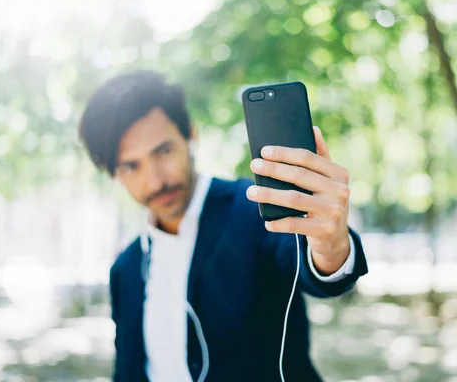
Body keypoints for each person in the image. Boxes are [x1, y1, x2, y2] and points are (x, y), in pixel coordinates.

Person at [78, 70, 368, 382]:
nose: (156, 181)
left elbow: (314, 265)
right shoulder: (125, 268)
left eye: (163, 151)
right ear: (113, 173)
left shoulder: (256, 209)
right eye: (131, 166)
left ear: (190, 134)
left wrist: (331, 246)